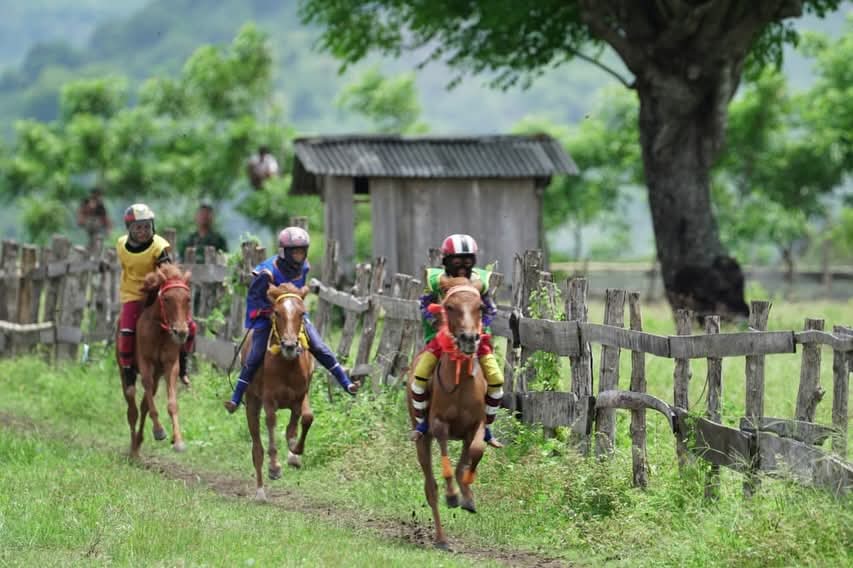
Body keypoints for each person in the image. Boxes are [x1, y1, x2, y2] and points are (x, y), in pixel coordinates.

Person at [224, 226, 358, 412]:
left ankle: (346, 383)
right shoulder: (266, 273)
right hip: (267, 314)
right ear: (284, 252)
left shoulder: (304, 267)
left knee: (318, 346)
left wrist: (295, 310)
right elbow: (255, 297)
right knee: (255, 355)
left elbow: (299, 293)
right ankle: (236, 397)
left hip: (293, 315)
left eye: (302, 252)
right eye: (295, 252)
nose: (299, 256)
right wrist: (271, 312)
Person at [410, 234, 504, 447]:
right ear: (446, 261)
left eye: (468, 261)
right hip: (442, 339)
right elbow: (424, 305)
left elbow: (490, 309)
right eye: (457, 261)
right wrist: (438, 321)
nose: (462, 267)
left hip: (476, 340)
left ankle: (487, 428)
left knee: (496, 379)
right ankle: (422, 423)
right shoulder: (436, 280)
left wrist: (479, 327)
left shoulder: (481, 282)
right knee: (420, 376)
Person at [117, 203, 196, 388]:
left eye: (146, 227)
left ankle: (183, 363)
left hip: (155, 292)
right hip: (132, 294)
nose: (143, 231)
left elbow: (168, 271)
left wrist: (158, 284)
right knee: (126, 330)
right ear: (129, 229)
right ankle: (128, 370)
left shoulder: (159, 246)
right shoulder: (121, 245)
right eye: (138, 228)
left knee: (190, 326)